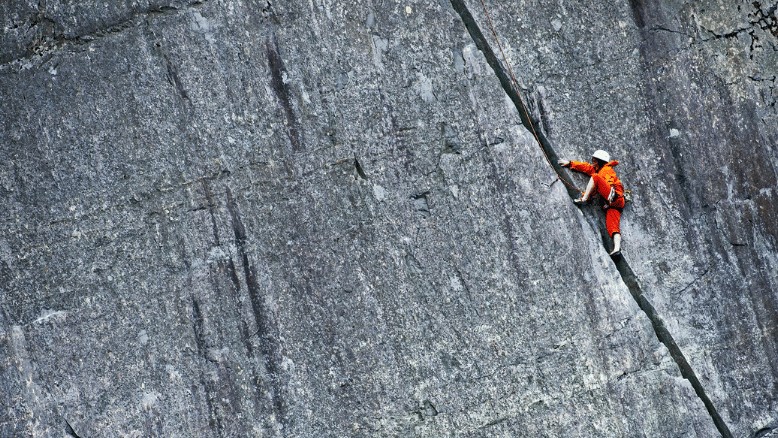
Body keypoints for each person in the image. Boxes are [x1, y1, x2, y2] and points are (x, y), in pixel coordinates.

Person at [558, 150, 625, 256]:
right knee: (613, 226)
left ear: (599, 161)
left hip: (613, 196)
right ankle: (617, 249)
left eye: (594, 160)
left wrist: (588, 195)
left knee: (595, 177)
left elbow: (606, 181)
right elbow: (586, 167)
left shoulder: (606, 169)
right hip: (616, 203)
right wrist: (570, 163)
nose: (592, 161)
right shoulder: (598, 169)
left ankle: (584, 199)